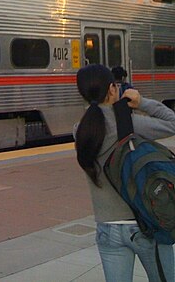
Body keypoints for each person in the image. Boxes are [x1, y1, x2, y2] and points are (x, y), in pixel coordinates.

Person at [74, 64, 175, 282]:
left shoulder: (80, 130)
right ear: (112, 89)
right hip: (144, 224)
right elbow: (173, 122)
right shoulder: (129, 123)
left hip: (107, 229)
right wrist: (142, 102)